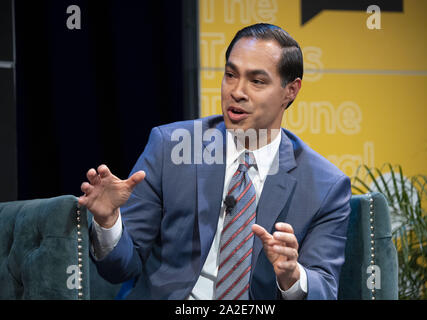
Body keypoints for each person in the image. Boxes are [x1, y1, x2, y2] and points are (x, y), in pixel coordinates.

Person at [78, 23, 351, 300]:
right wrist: (108, 221)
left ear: (290, 91)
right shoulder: (170, 147)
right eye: (231, 75)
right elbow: (122, 266)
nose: (237, 91)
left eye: (257, 81)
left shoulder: (325, 186)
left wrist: (292, 276)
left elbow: (324, 287)